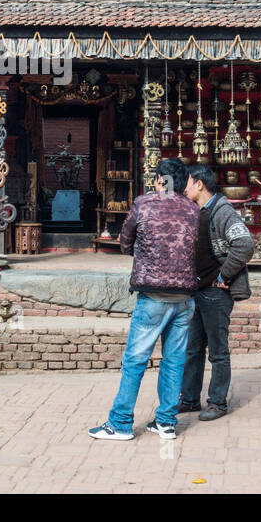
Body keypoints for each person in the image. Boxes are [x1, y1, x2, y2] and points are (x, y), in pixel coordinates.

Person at [89, 157, 199, 440]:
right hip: (185, 296)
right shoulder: (192, 208)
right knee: (174, 361)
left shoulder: (145, 204)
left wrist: (139, 252)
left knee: (135, 360)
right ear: (184, 181)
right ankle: (165, 422)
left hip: (153, 294)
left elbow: (125, 239)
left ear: (160, 180)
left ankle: (121, 423)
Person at [179, 164, 254, 421]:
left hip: (215, 292)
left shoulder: (222, 211)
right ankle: (189, 399)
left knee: (218, 351)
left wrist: (224, 276)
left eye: (187, 183)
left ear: (199, 184)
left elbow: (244, 244)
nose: (184, 188)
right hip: (195, 290)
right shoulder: (194, 210)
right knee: (192, 349)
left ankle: (218, 403)